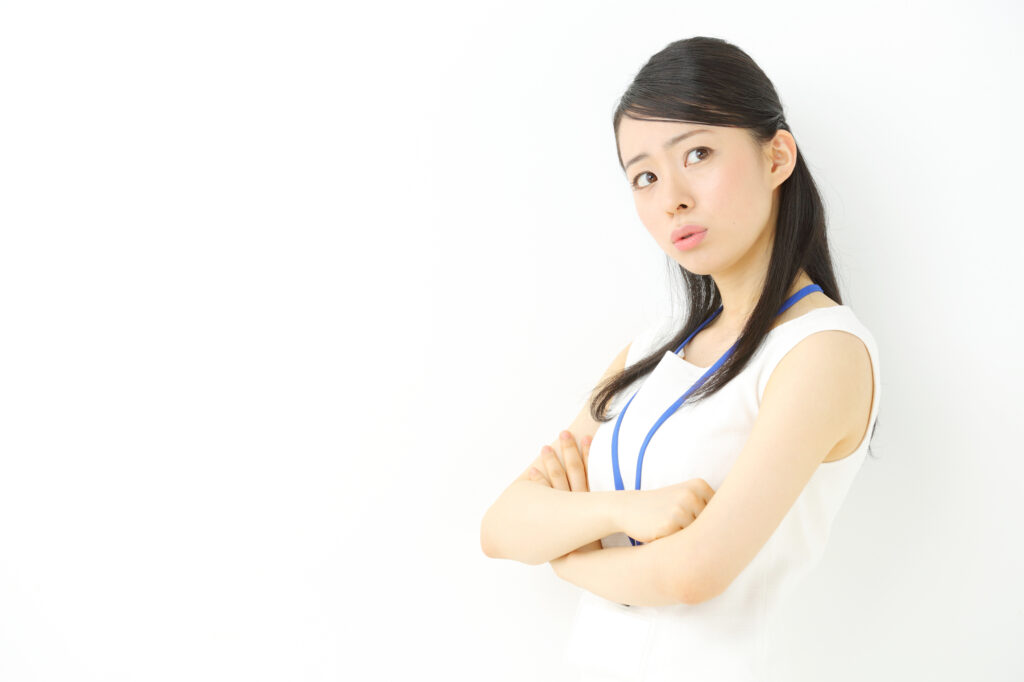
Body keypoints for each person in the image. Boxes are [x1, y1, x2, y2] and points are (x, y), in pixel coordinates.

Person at [480, 35, 880, 682]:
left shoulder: (821, 350)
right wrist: (620, 512)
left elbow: (696, 572)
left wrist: (568, 556)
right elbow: (502, 526)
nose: (672, 198)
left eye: (697, 153)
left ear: (777, 156)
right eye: (645, 176)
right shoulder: (650, 349)